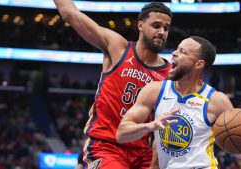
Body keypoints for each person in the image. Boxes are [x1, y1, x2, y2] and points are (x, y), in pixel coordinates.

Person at [53, 1, 172, 169]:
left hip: (142, 152)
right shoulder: (118, 47)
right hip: (106, 144)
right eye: (156, 25)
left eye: (166, 28)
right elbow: (70, 14)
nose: (161, 32)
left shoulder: (169, 73)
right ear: (140, 25)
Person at [116, 36, 241, 169]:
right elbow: (122, 134)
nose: (174, 53)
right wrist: (150, 126)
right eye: (176, 49)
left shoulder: (217, 101)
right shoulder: (154, 91)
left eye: (182, 52)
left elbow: (233, 147)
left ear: (198, 64)